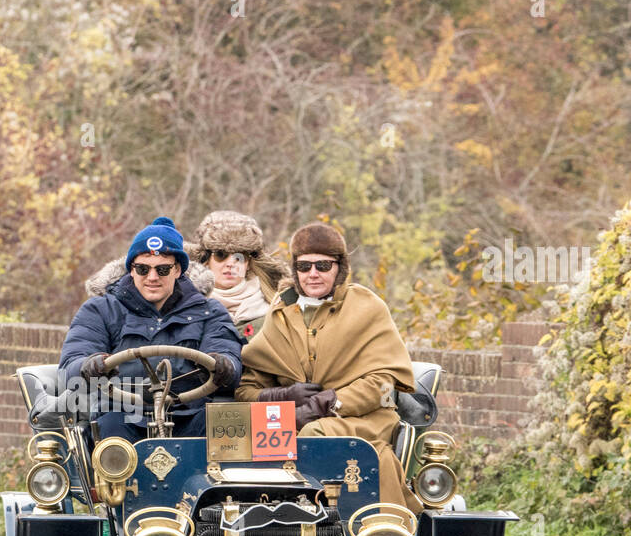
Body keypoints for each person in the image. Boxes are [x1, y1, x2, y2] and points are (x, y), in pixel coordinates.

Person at [235, 222, 421, 511]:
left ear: (340, 267)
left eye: (323, 265)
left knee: (316, 436)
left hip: (362, 419)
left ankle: (364, 527)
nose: (313, 274)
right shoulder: (281, 311)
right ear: (294, 271)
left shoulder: (367, 307)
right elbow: (247, 389)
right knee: (236, 444)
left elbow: (385, 381)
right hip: (291, 422)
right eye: (304, 266)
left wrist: (329, 402)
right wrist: (284, 398)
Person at [61, 217, 243, 440]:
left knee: (222, 427)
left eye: (163, 269)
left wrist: (223, 364)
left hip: (190, 416)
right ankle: (116, 477)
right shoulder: (100, 310)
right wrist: (89, 365)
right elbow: (71, 364)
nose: (152, 277)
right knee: (108, 428)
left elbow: (229, 359)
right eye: (143, 269)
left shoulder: (209, 311)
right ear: (131, 270)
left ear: (178, 270)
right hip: (122, 414)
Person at [191, 210, 288, 342]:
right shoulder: (187, 307)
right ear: (206, 260)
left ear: (248, 264)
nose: (231, 263)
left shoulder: (276, 306)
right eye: (220, 255)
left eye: (240, 256)